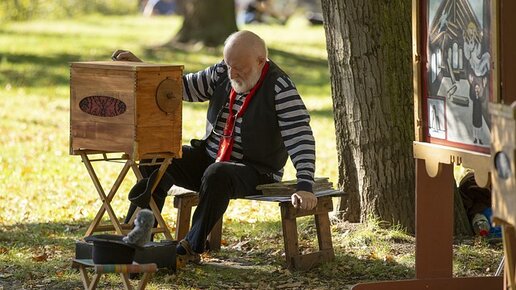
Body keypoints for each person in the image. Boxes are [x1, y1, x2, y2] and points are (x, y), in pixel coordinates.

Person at [112, 30, 317, 264]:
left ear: (261, 62)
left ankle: (190, 247)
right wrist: (146, 69)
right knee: (156, 157)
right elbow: (183, 88)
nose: (233, 73)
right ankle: (138, 236)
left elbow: (300, 136)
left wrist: (304, 185)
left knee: (217, 173)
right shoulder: (223, 71)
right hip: (212, 159)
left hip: (256, 170)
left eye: (240, 68)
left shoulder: (280, 87)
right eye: (229, 65)